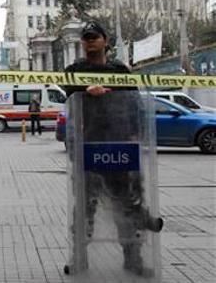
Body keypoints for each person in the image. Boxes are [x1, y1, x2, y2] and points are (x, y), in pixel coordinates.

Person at [63, 22, 164, 276]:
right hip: (88, 144)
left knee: (125, 202)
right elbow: (68, 91)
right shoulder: (75, 70)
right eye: (86, 38)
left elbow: (135, 102)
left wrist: (136, 132)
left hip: (118, 144)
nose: (89, 42)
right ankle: (80, 258)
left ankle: (134, 257)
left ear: (105, 40)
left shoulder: (120, 70)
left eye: (94, 37)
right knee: (85, 206)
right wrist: (86, 90)